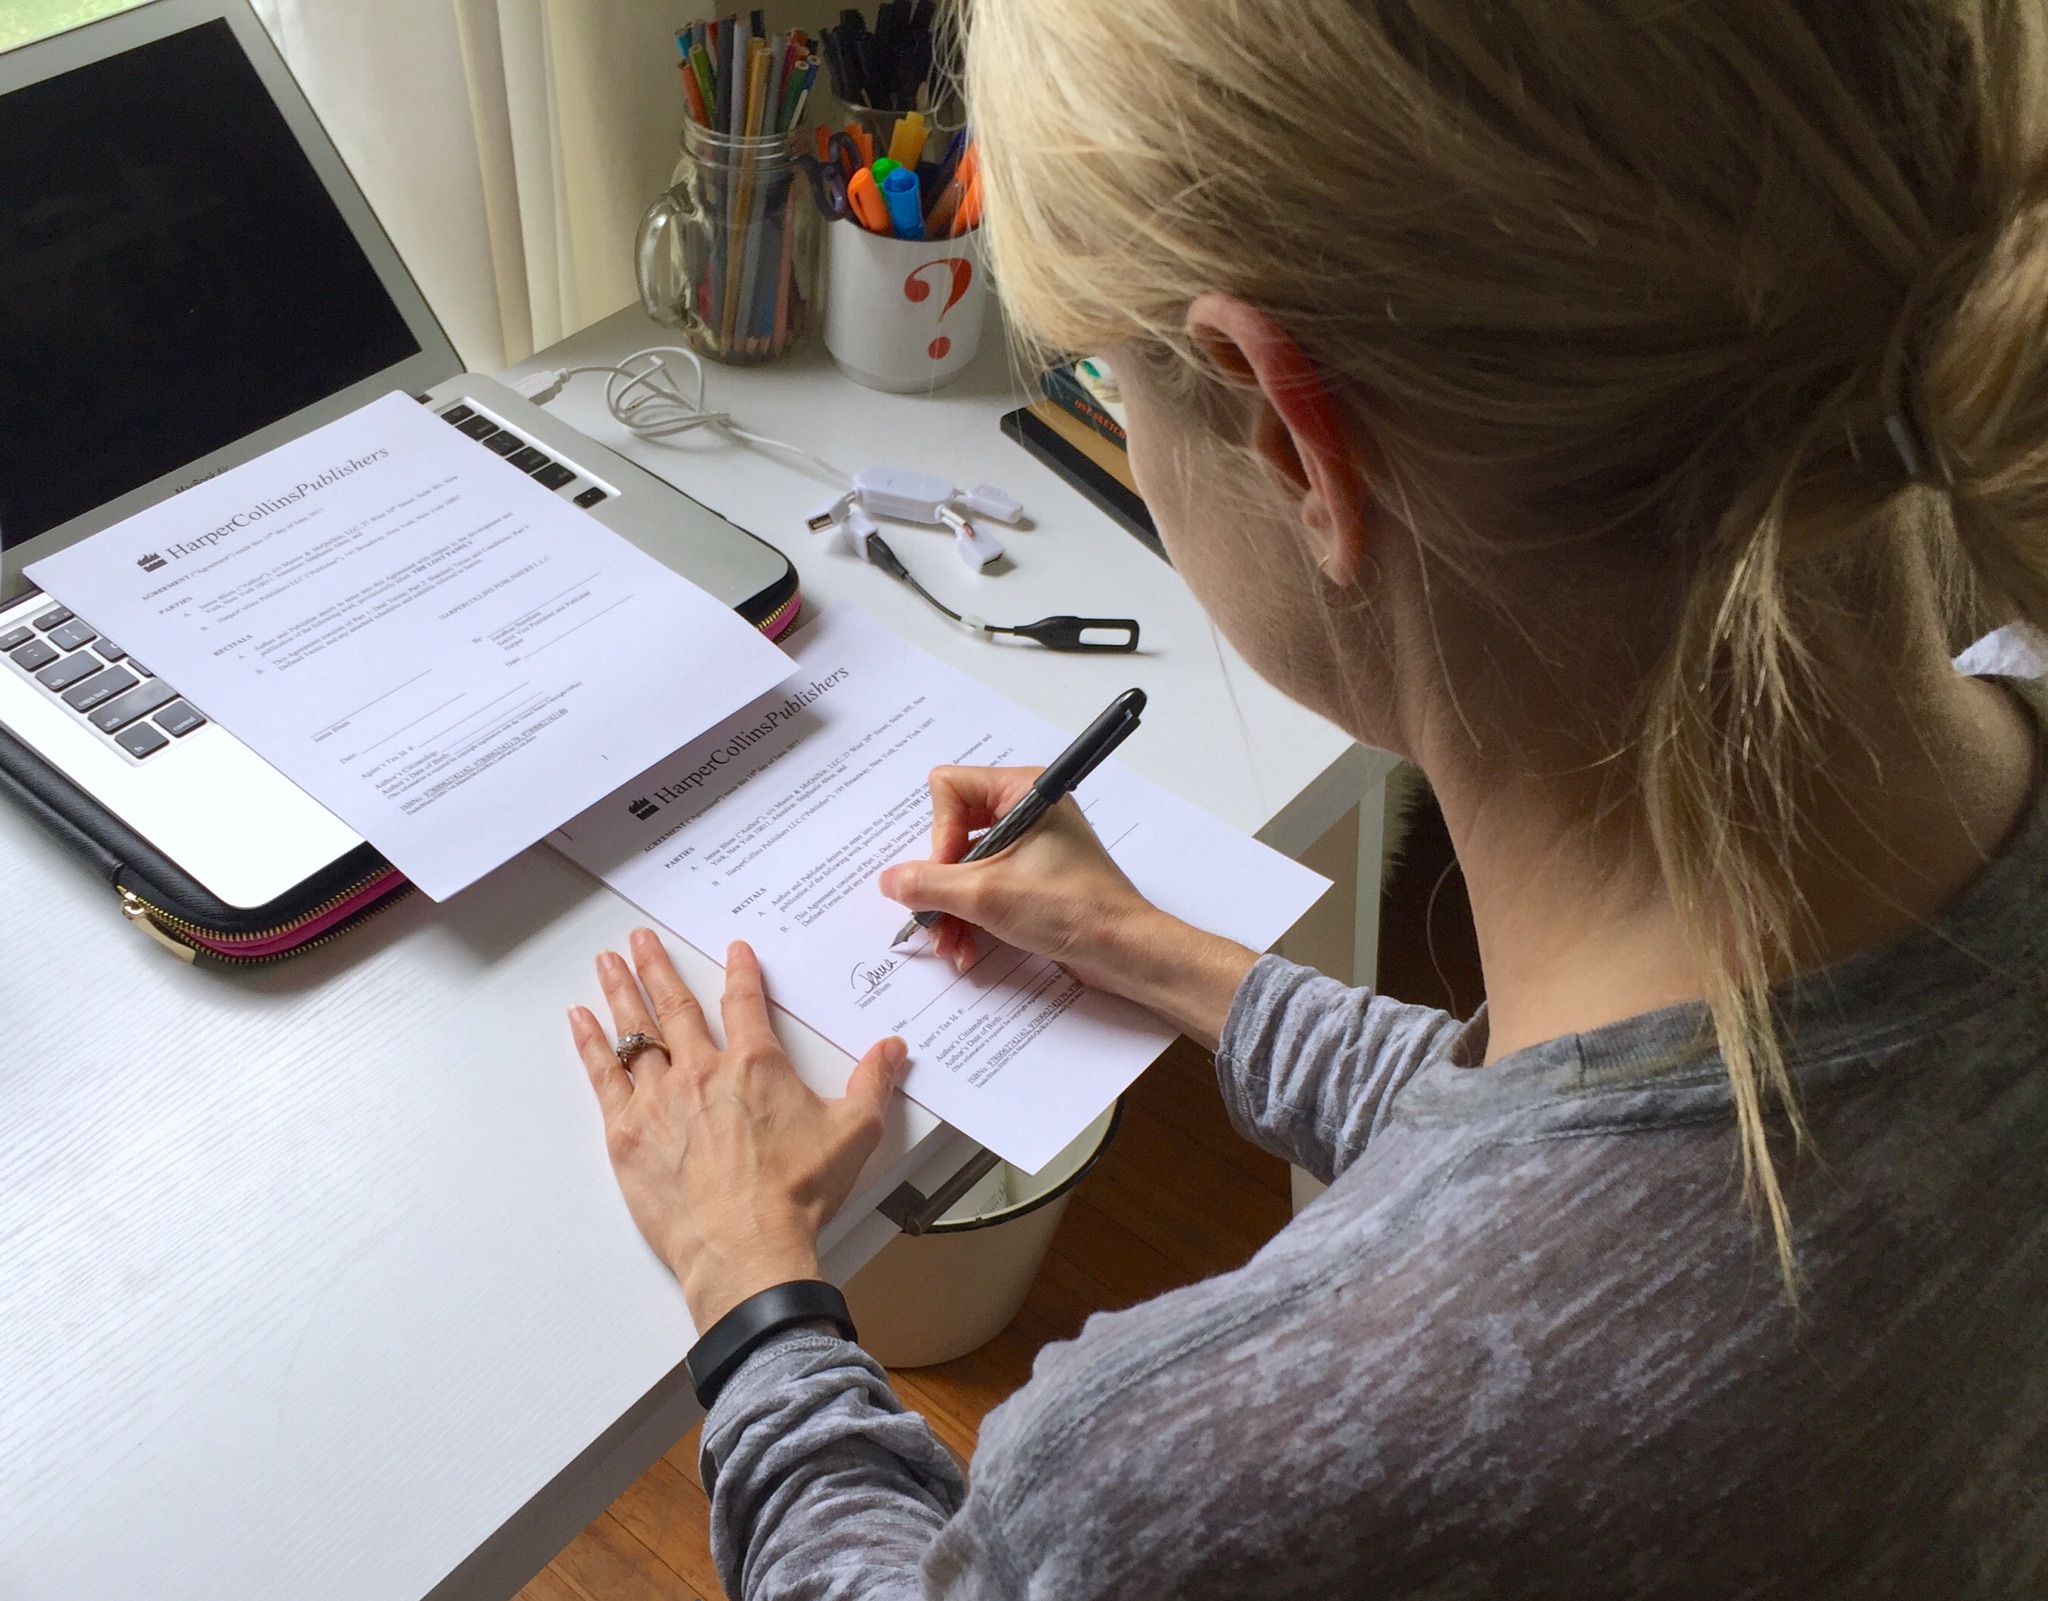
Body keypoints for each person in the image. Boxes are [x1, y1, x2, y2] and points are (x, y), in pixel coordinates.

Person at [566, 0, 2048, 1593]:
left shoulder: (1202, 1480)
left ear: (1289, 432)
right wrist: (1171, 956)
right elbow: (1611, 1144)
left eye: (1101, 372)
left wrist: (754, 1288)